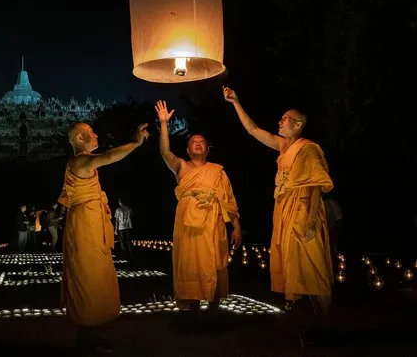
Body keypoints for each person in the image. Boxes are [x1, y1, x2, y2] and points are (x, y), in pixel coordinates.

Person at [223, 86, 334, 319]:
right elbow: (253, 130)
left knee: (313, 265)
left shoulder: (308, 148)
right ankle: (309, 319)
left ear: (298, 124)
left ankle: (325, 320)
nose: (280, 122)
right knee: (293, 263)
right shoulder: (284, 146)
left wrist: (312, 219)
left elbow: (315, 186)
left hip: (303, 208)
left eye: (285, 119)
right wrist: (236, 102)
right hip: (284, 209)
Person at [58, 121, 149, 354]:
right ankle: (84, 337)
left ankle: (90, 333)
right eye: (91, 133)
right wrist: (136, 143)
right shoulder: (79, 161)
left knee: (96, 277)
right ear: (79, 138)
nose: (96, 135)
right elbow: (108, 157)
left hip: (91, 223)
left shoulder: (80, 163)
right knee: (87, 277)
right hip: (84, 227)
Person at [155, 100, 242, 320]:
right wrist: (164, 124)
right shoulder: (181, 167)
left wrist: (237, 228)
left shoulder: (217, 172)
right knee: (191, 263)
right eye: (194, 142)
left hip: (213, 222)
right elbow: (165, 152)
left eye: (202, 142)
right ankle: (193, 311)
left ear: (207, 148)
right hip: (188, 224)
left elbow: (229, 200)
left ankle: (214, 311)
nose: (198, 144)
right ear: (187, 149)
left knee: (214, 262)